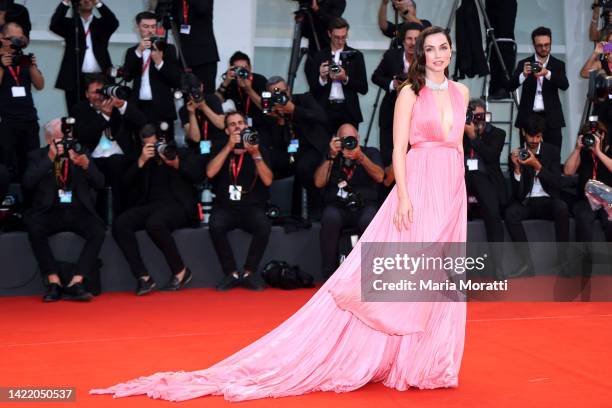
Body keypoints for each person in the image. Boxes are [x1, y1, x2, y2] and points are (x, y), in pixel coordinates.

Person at [91, 26, 470, 402]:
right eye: (431, 48)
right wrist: (403, 197)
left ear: (451, 52)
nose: (437, 55)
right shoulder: (409, 92)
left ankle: (428, 361)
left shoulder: (462, 93)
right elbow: (399, 151)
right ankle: (397, 357)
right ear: (421, 54)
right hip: (417, 187)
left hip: (450, 188)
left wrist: (457, 197)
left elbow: (454, 149)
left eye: (443, 48)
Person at [112, 123, 202, 295]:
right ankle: (143, 278)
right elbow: (124, 184)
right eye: (148, 145)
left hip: (178, 207)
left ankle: (181, 272)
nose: (154, 148)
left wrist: (176, 163)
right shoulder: (143, 160)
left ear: (164, 140)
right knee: (120, 223)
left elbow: (198, 175)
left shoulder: (179, 153)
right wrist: (141, 161)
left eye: (156, 143)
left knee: (155, 223)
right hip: (150, 206)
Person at [22, 119, 106, 302]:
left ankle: (77, 281)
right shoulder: (37, 156)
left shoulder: (80, 152)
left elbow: (100, 182)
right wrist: (50, 159)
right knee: (34, 227)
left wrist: (86, 165)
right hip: (50, 210)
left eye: (68, 135)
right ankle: (53, 281)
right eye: (61, 137)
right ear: (49, 138)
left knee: (98, 230)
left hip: (78, 209)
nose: (67, 140)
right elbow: (27, 183)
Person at [206, 111, 273, 292]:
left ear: (246, 125)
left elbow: (268, 180)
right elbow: (210, 173)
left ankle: (249, 272)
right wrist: (228, 148)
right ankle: (231, 274)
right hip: (225, 206)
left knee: (263, 226)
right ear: (227, 130)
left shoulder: (257, 147)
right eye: (233, 124)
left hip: (251, 206)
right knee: (215, 225)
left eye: (241, 123)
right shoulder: (220, 146)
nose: (238, 126)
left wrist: (255, 154)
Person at [71, 74, 147, 216]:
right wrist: (105, 116)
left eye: (102, 91)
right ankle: (99, 215)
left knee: (117, 163)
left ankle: (120, 215)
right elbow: (83, 135)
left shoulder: (118, 105)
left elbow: (141, 121)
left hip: (121, 158)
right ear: (87, 94)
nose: (99, 96)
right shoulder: (79, 109)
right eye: (95, 92)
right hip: (93, 159)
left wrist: (122, 106)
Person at [315, 123, 384, 280]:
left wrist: (361, 157)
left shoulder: (370, 152)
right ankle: (329, 275)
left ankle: (371, 276)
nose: (348, 143)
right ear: (336, 140)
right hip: (338, 206)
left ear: (358, 138)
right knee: (330, 217)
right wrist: (330, 157)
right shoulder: (332, 155)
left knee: (370, 219)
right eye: (343, 139)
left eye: (351, 139)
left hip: (365, 205)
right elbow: (318, 182)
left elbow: (380, 177)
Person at [505, 114, 569, 277]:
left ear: (542, 135)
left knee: (562, 207)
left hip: (548, 200)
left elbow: (557, 183)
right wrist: (517, 170)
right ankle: (527, 265)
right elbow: (517, 194)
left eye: (538, 136)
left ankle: (564, 261)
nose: (534, 140)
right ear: (523, 133)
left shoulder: (552, 151)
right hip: (526, 202)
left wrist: (537, 166)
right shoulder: (516, 153)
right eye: (531, 136)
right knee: (510, 213)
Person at [372, 22, 422, 188]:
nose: (412, 42)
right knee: (389, 158)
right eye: (409, 38)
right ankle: (388, 201)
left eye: (416, 39)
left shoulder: (425, 60)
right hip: (390, 116)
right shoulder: (392, 55)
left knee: (412, 160)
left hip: (417, 117)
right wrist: (393, 84)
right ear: (402, 40)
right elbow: (376, 77)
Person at [50, 0, 119, 112]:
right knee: (76, 113)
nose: (87, 0)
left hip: (100, 76)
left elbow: (113, 22)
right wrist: (65, 2)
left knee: (103, 111)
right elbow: (54, 25)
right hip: (75, 77)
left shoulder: (101, 24)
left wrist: (98, 3)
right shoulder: (71, 25)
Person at [509, 26, 569, 154]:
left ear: (551, 43)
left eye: (547, 45)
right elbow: (510, 86)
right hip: (529, 116)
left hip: (551, 118)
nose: (544, 48)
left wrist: (547, 73)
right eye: (540, 45)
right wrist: (523, 75)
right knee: (527, 155)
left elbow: (564, 85)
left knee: (553, 154)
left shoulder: (558, 64)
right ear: (534, 45)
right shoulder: (524, 63)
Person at [122, 11, 181, 140]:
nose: (150, 31)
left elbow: (176, 80)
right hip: (139, 108)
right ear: (137, 28)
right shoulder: (132, 51)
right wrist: (138, 52)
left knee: (164, 146)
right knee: (139, 145)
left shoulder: (168, 49)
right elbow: (127, 76)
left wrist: (159, 63)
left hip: (162, 108)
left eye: (153, 26)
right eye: (145, 26)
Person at [0, 22, 43, 182]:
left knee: (31, 162)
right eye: (13, 38)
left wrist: (32, 66)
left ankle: (29, 203)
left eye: (21, 38)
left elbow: (40, 85)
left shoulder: (23, 59)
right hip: (6, 120)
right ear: (2, 38)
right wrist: (2, 66)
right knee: (6, 162)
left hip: (29, 119)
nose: (17, 42)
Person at [308, 17, 368, 133]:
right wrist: (322, 78)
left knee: (349, 149)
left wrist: (345, 78)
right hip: (325, 109)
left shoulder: (356, 55)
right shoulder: (319, 56)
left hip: (348, 110)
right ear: (329, 34)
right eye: (337, 37)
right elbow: (312, 89)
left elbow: (363, 88)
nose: (341, 41)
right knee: (325, 148)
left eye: (344, 37)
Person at [564, 120, 612, 243]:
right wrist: (577, 149)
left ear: (602, 135)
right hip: (585, 200)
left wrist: (598, 152)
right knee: (583, 218)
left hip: (608, 199)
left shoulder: (609, 150)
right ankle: (585, 261)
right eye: (589, 136)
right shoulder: (583, 152)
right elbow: (568, 171)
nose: (592, 139)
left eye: (595, 135)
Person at [170, 0, 219, 92]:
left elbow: (203, 9)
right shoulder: (179, 2)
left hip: (204, 58)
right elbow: (169, 22)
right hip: (185, 58)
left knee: (206, 96)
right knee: (187, 98)